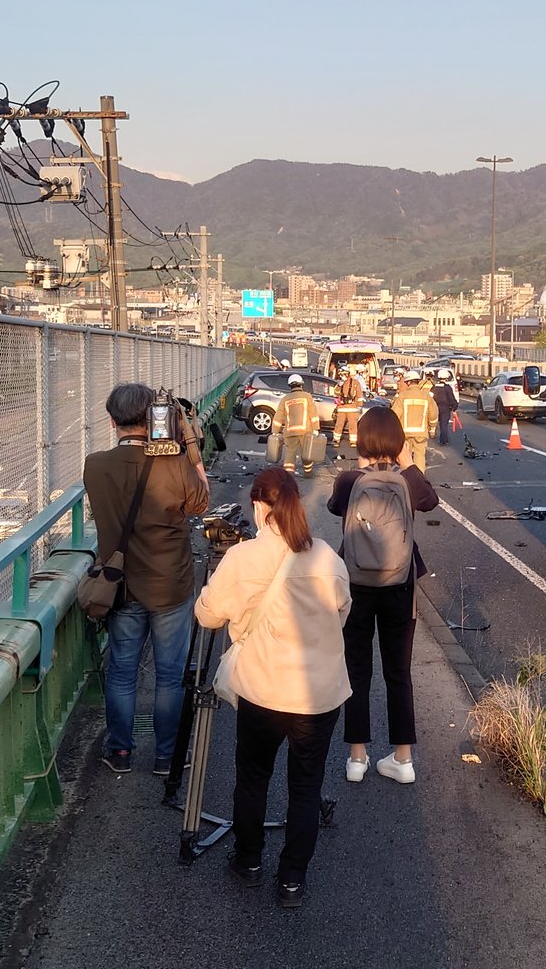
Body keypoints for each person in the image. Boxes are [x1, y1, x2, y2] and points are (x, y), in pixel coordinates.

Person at [195, 466, 351, 909]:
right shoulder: (326, 557)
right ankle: (292, 881)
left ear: (261, 507)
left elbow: (207, 616)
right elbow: (342, 611)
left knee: (253, 779)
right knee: (305, 786)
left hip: (263, 691)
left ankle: (248, 861)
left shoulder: (242, 558)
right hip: (319, 696)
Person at [83, 383, 211, 776]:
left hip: (122, 585)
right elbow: (201, 501)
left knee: (122, 671)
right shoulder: (173, 464)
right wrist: (185, 445)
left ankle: (120, 752)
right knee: (170, 675)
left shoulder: (95, 465)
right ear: (157, 420)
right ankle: (166, 757)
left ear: (112, 421)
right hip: (170, 584)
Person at [326, 406, 440, 785]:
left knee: (357, 670)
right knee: (399, 673)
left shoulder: (348, 481)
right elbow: (430, 500)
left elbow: (333, 508)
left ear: (362, 441)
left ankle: (357, 758)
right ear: (397, 441)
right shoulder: (408, 483)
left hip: (356, 585)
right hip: (399, 588)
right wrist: (405, 462)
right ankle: (403, 760)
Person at [270, 374, 322, 476]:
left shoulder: (285, 399)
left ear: (290, 386)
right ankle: (308, 473)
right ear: (301, 384)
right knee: (306, 453)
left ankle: (288, 476)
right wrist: (316, 428)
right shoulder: (307, 397)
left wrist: (275, 431)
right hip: (305, 431)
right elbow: (313, 414)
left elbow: (278, 416)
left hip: (290, 432)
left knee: (290, 454)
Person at [391, 370, 434, 470]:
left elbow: (395, 414)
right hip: (421, 433)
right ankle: (419, 478)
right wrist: (432, 427)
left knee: (405, 457)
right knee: (420, 457)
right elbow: (433, 414)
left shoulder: (403, 396)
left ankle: (407, 477)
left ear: (408, 382)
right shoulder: (426, 396)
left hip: (405, 434)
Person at [332, 367, 365, 452]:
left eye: (343, 374)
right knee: (339, 425)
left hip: (352, 407)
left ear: (347, 374)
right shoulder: (340, 384)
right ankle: (336, 440)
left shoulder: (355, 383)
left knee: (353, 426)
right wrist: (339, 385)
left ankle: (353, 441)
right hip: (342, 407)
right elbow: (335, 393)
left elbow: (359, 395)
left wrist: (359, 406)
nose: (341, 376)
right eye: (340, 375)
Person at [432, 368, 459, 446]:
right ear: (447, 377)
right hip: (445, 408)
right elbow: (451, 398)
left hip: (435, 407)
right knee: (444, 424)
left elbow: (431, 397)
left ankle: (433, 434)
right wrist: (454, 407)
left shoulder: (434, 387)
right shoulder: (447, 387)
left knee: (435, 422)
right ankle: (443, 440)